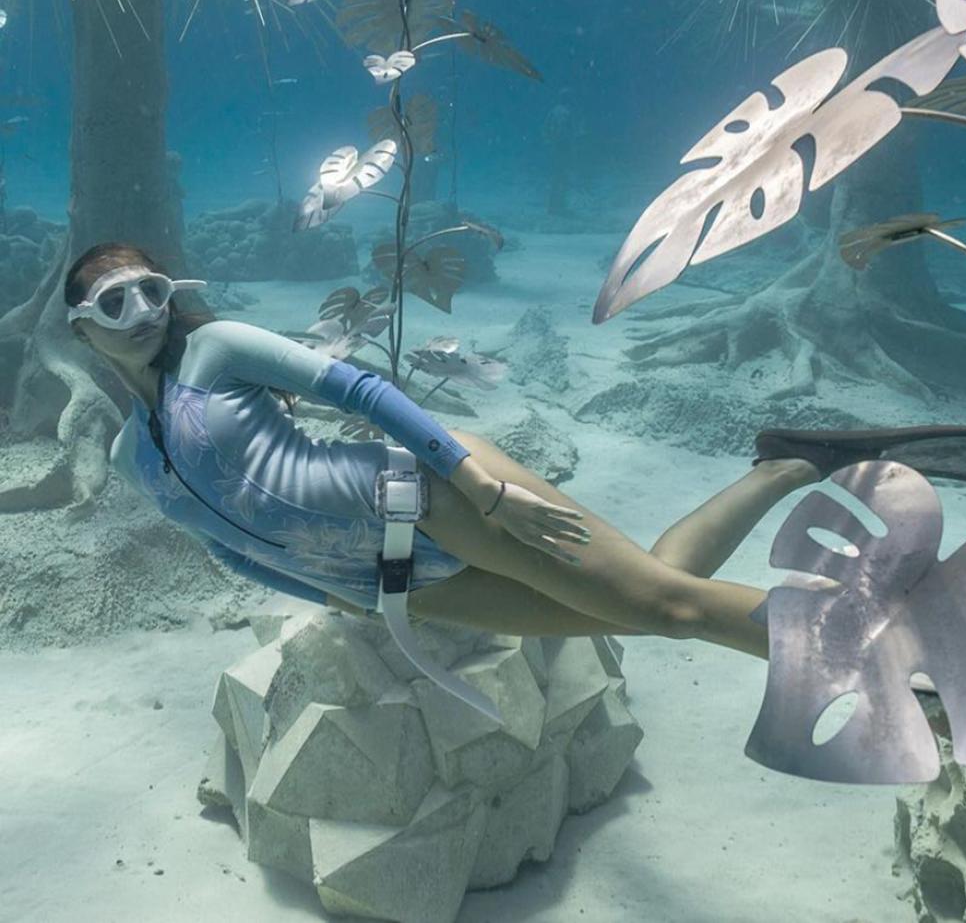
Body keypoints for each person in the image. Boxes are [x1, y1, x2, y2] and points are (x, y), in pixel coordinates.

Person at [65, 243, 878, 692]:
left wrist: (481, 486)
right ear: (81, 329)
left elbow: (358, 387)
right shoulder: (130, 456)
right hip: (395, 582)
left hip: (431, 499)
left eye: (151, 290)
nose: (141, 313)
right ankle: (782, 468)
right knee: (648, 606)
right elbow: (226, 548)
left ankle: (901, 664)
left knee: (671, 605)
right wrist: (335, 596)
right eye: (113, 303)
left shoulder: (214, 350)